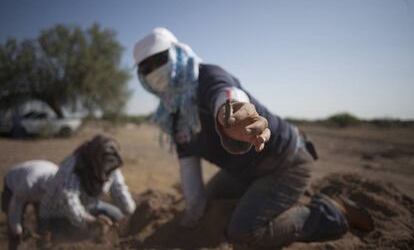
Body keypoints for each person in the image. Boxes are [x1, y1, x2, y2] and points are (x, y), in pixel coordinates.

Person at [133, 27, 373, 248]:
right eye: (146, 68)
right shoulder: (173, 115)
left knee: (244, 232)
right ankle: (276, 201)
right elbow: (189, 169)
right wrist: (192, 216)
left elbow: (226, 94)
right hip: (242, 171)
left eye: (159, 59)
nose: (154, 71)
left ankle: (330, 212)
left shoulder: (207, 76)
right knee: (206, 201)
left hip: (285, 163)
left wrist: (231, 113)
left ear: (178, 53)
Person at [38, 135, 136, 243]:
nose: (106, 171)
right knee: (85, 237)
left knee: (118, 216)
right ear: (95, 159)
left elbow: (120, 190)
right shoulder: (73, 166)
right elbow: (69, 199)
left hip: (89, 206)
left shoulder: (110, 164)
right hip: (58, 214)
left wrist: (133, 214)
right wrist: (90, 221)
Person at [1, 160, 58, 250]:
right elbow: (15, 206)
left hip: (38, 176)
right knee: (15, 232)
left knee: (44, 222)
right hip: (13, 186)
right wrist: (16, 226)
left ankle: (43, 246)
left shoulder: (61, 182)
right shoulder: (28, 184)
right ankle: (15, 246)